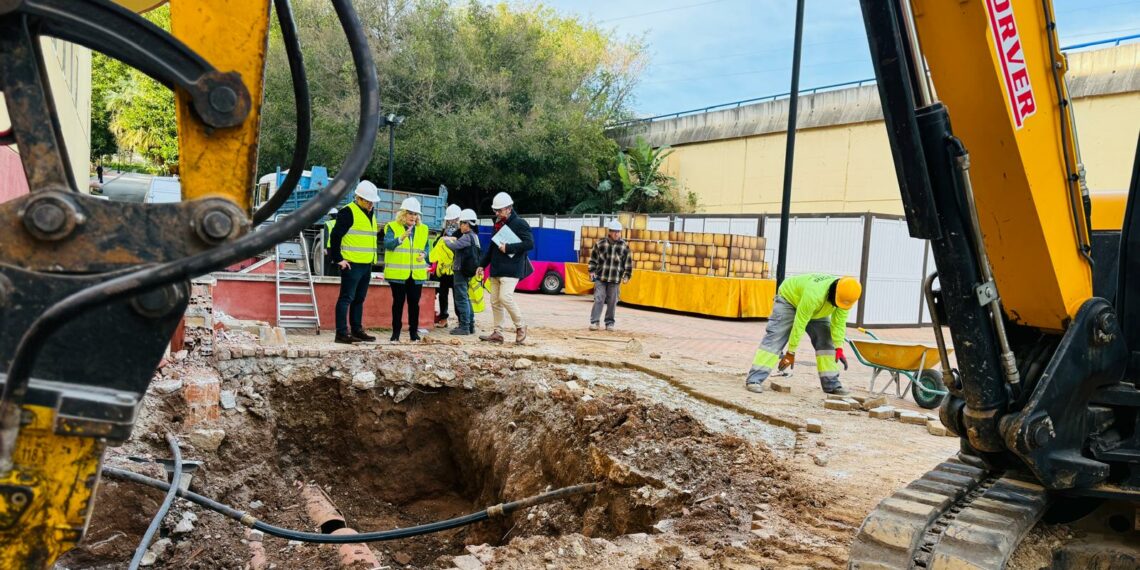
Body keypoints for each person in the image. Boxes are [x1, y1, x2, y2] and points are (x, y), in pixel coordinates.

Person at [744, 273, 862, 395]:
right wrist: (791, 352)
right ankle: (754, 379)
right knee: (775, 337)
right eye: (836, 301)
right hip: (789, 300)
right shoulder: (814, 294)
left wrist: (839, 347)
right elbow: (799, 323)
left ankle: (831, 384)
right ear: (834, 291)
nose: (836, 304)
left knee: (827, 341)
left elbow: (838, 324)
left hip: (817, 310)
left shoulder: (845, 297)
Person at [328, 181, 380, 345]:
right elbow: (335, 236)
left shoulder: (370, 213)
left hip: (366, 264)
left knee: (359, 299)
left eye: (372, 202)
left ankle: (357, 330)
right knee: (346, 298)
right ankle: (342, 333)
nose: (371, 204)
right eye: (368, 201)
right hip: (352, 264)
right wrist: (338, 259)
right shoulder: (348, 212)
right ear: (358, 198)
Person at [478, 192, 534, 345]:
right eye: (495, 210)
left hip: (512, 269)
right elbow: (492, 247)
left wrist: (509, 248)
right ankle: (498, 332)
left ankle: (521, 326)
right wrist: (482, 265)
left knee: (505, 297)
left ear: (509, 208)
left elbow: (529, 244)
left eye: (499, 210)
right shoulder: (497, 224)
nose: (497, 213)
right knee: (495, 301)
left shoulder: (520, 223)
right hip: (496, 269)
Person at [383, 197, 431, 343]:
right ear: (403, 213)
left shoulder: (423, 229)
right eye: (410, 213)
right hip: (398, 274)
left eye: (415, 214)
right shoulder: (392, 226)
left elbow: (426, 247)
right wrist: (401, 238)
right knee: (398, 304)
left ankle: (413, 334)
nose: (413, 216)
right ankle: (395, 334)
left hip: (416, 274)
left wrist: (424, 254)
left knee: (414, 304)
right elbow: (387, 244)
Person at [587, 220, 633, 331]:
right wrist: (591, 271)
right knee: (599, 299)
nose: (617, 234)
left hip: (615, 279)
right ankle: (595, 322)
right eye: (615, 232)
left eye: (619, 232)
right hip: (601, 277)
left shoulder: (624, 246)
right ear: (610, 232)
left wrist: (627, 275)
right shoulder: (600, 244)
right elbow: (593, 260)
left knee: (612, 301)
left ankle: (609, 323)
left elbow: (628, 263)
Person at [442, 208, 481, 335]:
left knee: (461, 299)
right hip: (469, 271)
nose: (460, 226)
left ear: (467, 224)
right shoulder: (475, 237)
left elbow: (453, 246)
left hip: (460, 271)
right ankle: (470, 326)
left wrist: (445, 239)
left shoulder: (467, 237)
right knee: (466, 298)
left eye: (461, 223)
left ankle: (464, 327)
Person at [429, 204, 462, 328]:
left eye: (453, 219)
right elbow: (436, 246)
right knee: (443, 294)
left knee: (458, 295)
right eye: (449, 220)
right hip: (443, 269)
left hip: (456, 269)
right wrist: (442, 240)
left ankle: (461, 320)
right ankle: (443, 318)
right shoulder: (444, 231)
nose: (451, 222)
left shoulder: (463, 232)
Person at [322, 207, 340, 276]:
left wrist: (324, 247)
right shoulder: (340, 222)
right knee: (337, 262)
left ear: (330, 215)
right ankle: (337, 276)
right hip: (338, 246)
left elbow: (326, 236)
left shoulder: (327, 223)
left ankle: (326, 276)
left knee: (327, 263)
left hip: (329, 246)